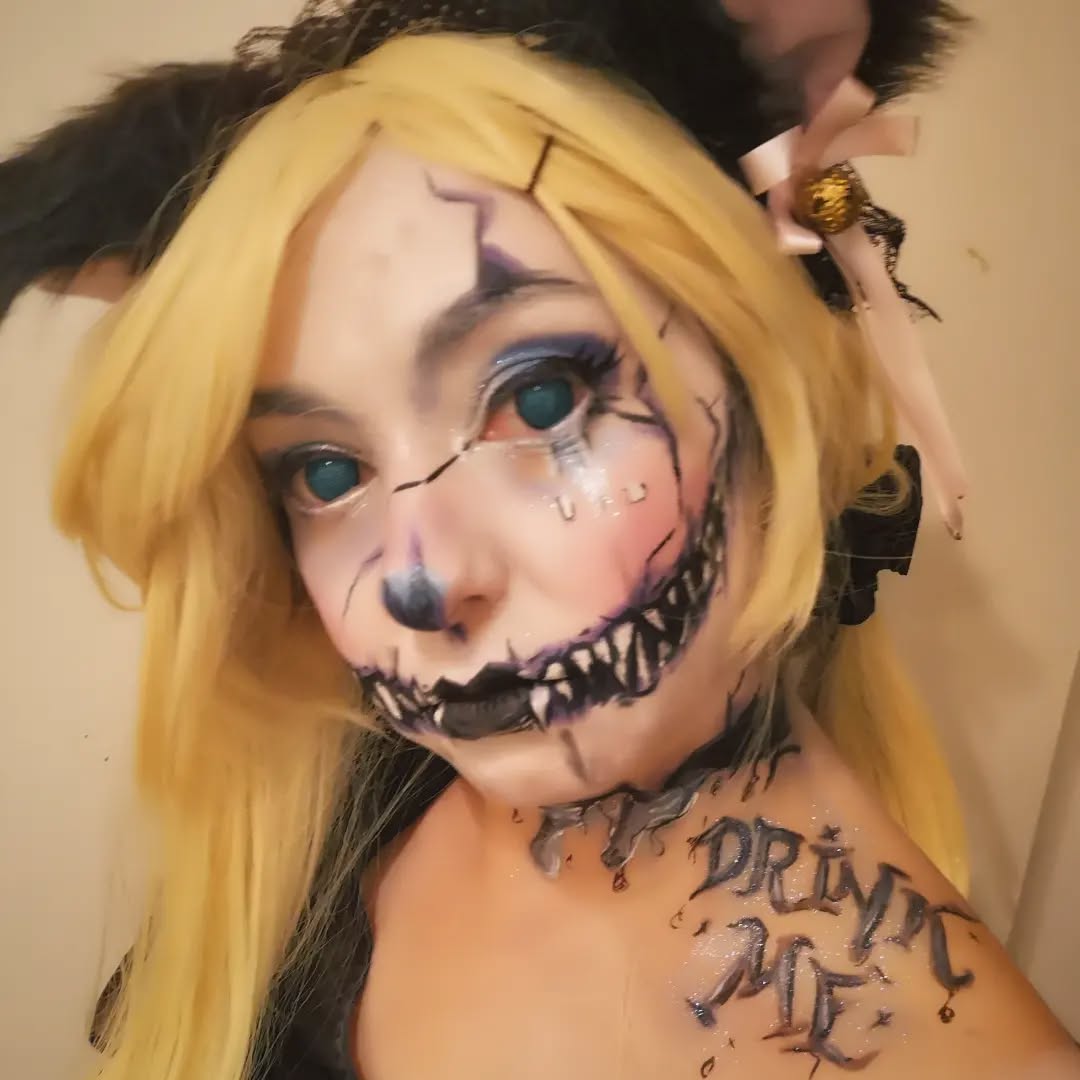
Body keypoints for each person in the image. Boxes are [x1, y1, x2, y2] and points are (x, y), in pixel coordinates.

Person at [2, 2, 1078, 1078]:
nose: (419, 579)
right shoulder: (335, 808)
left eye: (544, 397)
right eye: (325, 472)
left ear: (777, 395)